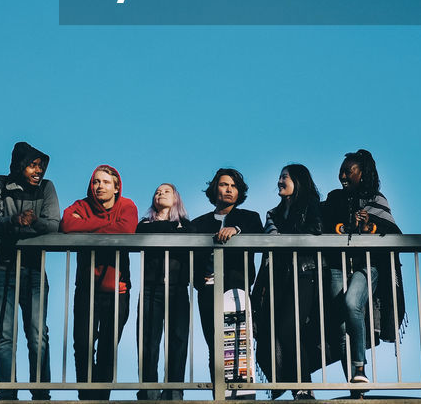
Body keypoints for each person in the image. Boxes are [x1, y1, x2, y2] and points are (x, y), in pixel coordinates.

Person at [319, 149, 405, 386]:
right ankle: (355, 383)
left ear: (363, 173)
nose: (342, 175)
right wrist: (347, 227)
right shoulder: (334, 198)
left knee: (351, 302)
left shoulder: (377, 199)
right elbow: (324, 226)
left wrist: (370, 227)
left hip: (369, 265)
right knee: (340, 324)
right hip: (337, 265)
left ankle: (359, 366)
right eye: (341, 170)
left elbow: (394, 232)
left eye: (348, 170)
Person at [0, 142, 61, 400]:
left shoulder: (47, 188)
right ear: (19, 165)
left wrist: (34, 221)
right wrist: (16, 221)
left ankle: (41, 394)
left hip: (34, 269)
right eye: (32, 165)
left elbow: (53, 225)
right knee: (4, 336)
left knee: (38, 334)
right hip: (1, 267)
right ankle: (7, 395)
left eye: (41, 166)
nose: (38, 170)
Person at [61, 165, 139, 400]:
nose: (99, 186)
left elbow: (126, 229)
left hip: (118, 289)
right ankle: (86, 397)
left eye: (105, 182)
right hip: (86, 288)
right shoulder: (80, 205)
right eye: (96, 182)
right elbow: (66, 225)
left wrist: (87, 226)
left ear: (116, 187)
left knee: (107, 347)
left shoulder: (127, 205)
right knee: (82, 345)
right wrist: (106, 226)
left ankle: (101, 397)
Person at [252, 165, 323, 399]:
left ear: (298, 181)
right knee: (278, 332)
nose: (280, 181)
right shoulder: (272, 213)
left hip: (305, 273)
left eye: (285, 177)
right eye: (280, 176)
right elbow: (271, 243)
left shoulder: (312, 206)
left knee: (290, 328)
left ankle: (304, 387)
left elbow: (315, 233)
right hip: (278, 278)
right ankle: (297, 388)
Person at [191, 168, 263, 393]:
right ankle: (219, 394)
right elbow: (191, 258)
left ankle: (242, 394)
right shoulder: (199, 223)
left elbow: (258, 234)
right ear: (215, 189)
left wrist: (236, 229)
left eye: (233, 185)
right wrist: (197, 280)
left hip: (235, 290)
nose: (229, 189)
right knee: (215, 345)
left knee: (240, 342)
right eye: (224, 184)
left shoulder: (249, 217)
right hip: (208, 290)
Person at [136, 184, 192, 400]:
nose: (160, 193)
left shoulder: (186, 225)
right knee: (148, 339)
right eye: (157, 191)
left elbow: (191, 236)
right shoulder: (144, 225)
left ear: (176, 198)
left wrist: (176, 231)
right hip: (151, 287)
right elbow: (144, 233)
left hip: (178, 287)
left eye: (166, 191)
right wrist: (173, 231)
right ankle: (149, 389)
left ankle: (174, 390)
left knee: (178, 339)